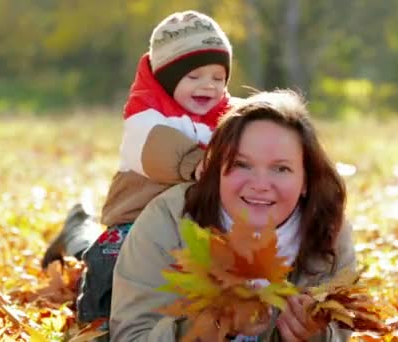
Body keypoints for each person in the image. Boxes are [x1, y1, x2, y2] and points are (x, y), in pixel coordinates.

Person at [110, 90, 356, 341]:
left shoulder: (329, 232)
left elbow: (341, 331)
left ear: (306, 180)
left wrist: (316, 337)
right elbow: (131, 334)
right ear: (217, 170)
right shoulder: (169, 219)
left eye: (281, 168)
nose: (260, 184)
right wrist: (206, 330)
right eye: (242, 164)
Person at [41, 10, 236, 324]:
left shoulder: (227, 114)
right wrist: (194, 162)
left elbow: (252, 124)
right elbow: (156, 147)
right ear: (168, 78)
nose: (208, 86)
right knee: (109, 259)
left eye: (218, 77)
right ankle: (93, 289)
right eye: (194, 77)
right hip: (136, 217)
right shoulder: (146, 117)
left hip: (189, 224)